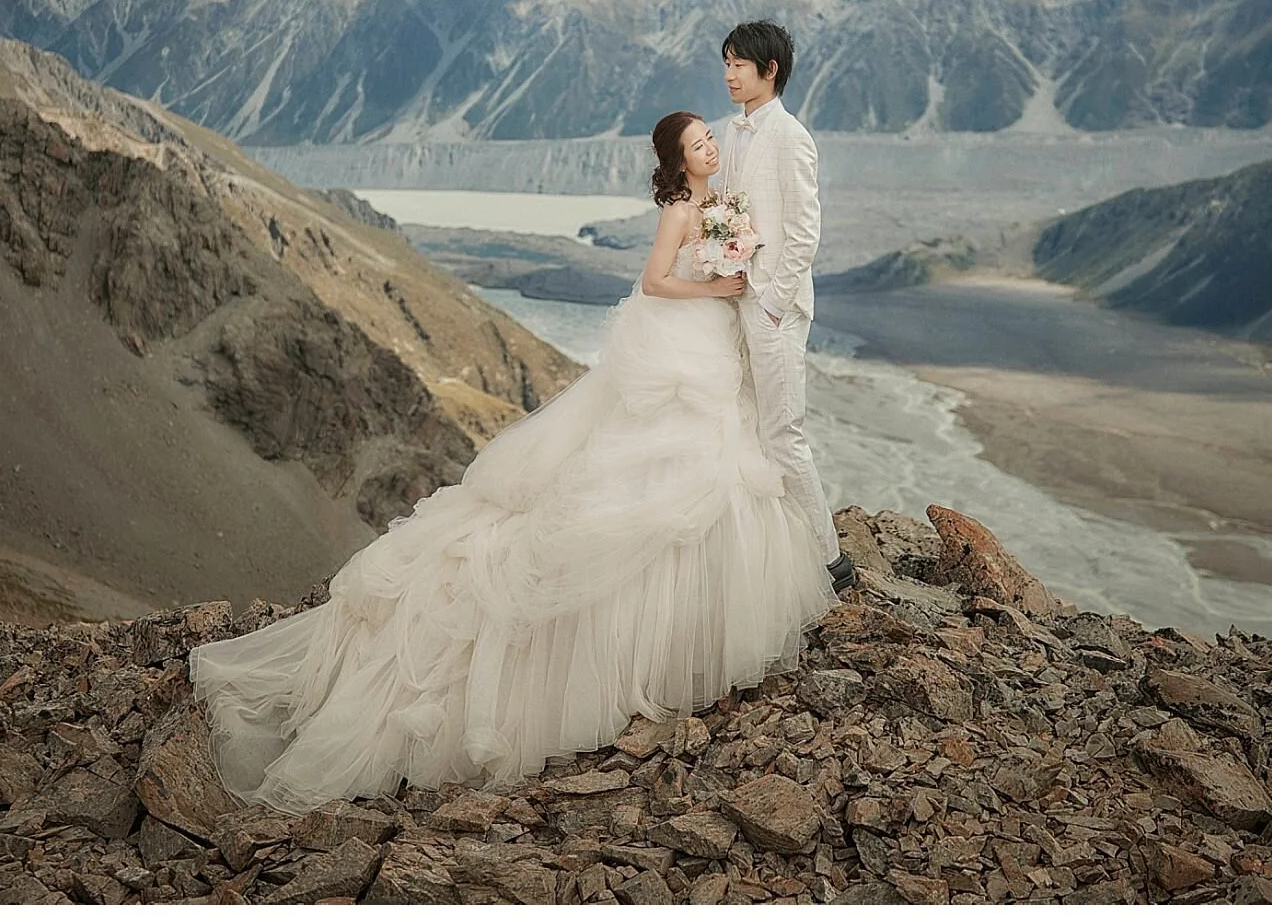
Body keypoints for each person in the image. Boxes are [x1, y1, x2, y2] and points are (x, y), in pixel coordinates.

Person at [187, 112, 839, 813]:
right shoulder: (683, 208)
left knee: (720, 463)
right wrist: (714, 286)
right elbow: (654, 281)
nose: (711, 146)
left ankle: (701, 615)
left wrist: (735, 268)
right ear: (679, 164)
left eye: (710, 137)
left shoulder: (721, 201)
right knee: (657, 473)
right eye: (698, 144)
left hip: (714, 343)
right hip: (683, 335)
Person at [718, 21, 854, 594]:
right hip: (735, 297)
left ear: (769, 71)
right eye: (725, 64)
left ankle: (830, 560)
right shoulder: (730, 132)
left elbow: (803, 230)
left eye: (739, 66)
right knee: (744, 422)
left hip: (774, 305)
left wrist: (773, 301)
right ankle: (769, 554)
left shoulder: (792, 137)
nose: (728, 75)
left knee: (783, 431)